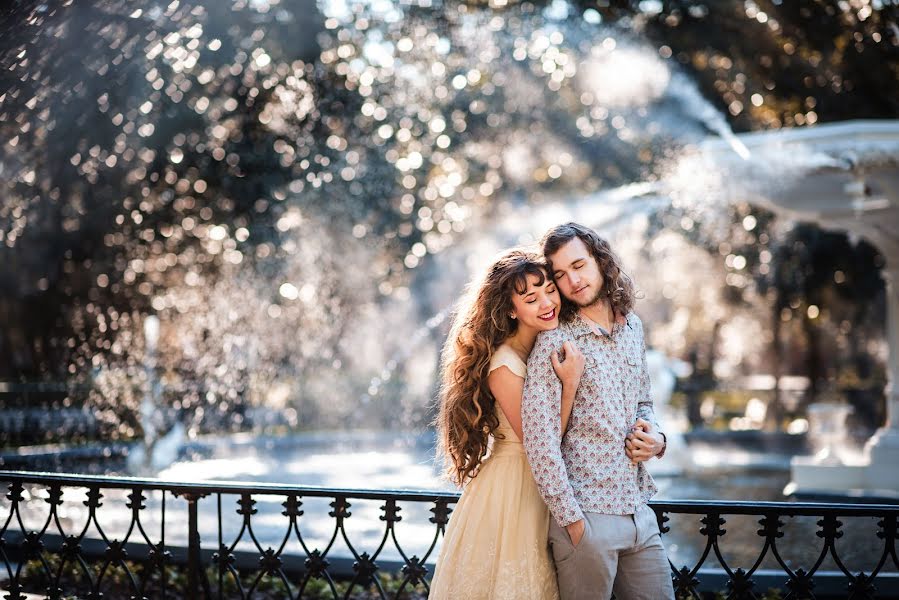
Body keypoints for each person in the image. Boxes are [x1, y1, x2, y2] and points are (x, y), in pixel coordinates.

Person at [522, 222, 675, 600]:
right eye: (559, 274)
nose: (572, 281)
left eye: (579, 265)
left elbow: (644, 401)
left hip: (639, 510)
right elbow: (540, 442)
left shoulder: (633, 327)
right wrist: (574, 523)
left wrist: (657, 439)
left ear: (600, 261)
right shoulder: (555, 341)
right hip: (588, 517)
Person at [430, 248, 585, 600]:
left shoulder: (541, 349)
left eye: (549, 290)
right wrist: (571, 383)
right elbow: (541, 441)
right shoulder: (504, 365)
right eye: (531, 298)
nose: (547, 303)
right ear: (512, 310)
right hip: (514, 487)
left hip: (539, 481)